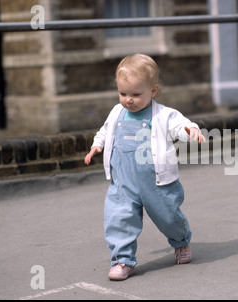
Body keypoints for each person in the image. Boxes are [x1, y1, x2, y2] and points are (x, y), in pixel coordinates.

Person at [84, 54, 205, 281]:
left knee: (168, 216)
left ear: (153, 90)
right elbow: (104, 130)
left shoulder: (162, 115)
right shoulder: (116, 112)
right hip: (123, 182)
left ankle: (181, 241)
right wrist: (96, 145)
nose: (128, 100)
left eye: (136, 94)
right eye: (123, 94)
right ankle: (122, 260)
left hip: (156, 182)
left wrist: (190, 130)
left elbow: (180, 125)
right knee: (118, 218)